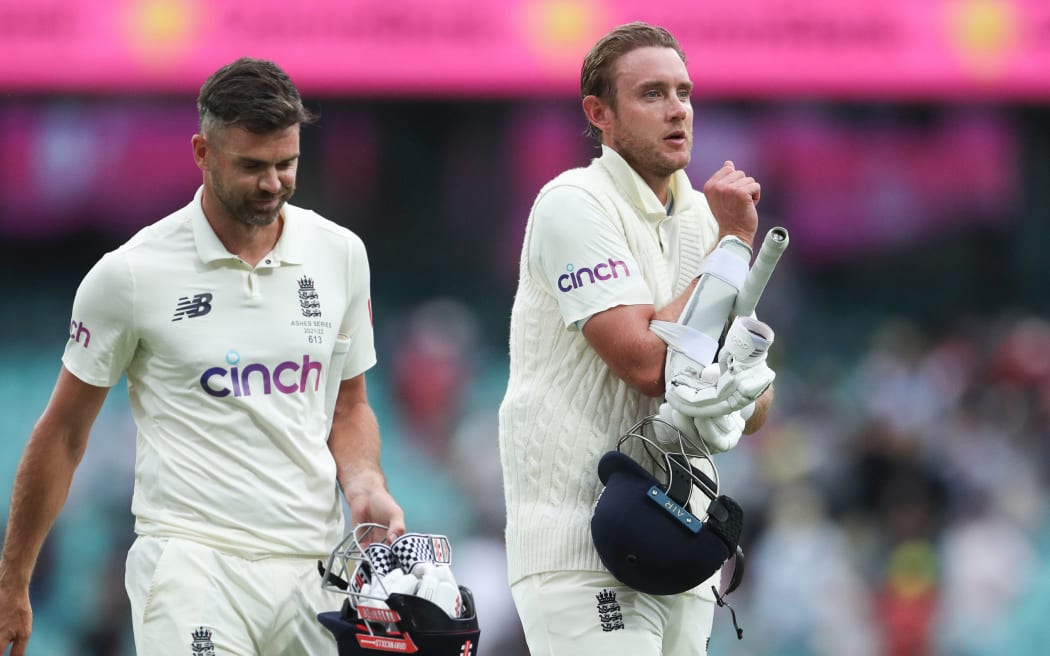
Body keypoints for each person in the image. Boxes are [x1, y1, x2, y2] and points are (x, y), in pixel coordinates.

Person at [0, 57, 405, 656]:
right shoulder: (131, 275)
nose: (272, 184)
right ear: (202, 152)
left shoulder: (341, 254)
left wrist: (366, 484)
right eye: (251, 166)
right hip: (190, 564)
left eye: (285, 164)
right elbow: (62, 433)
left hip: (314, 569)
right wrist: (13, 581)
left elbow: (347, 405)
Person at [498, 21, 775, 655]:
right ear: (600, 114)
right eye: (652, 94)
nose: (677, 108)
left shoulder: (705, 215)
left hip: (678, 534)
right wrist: (732, 246)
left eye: (684, 92)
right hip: (577, 539)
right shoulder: (574, 201)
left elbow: (755, 405)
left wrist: (737, 391)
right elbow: (647, 364)